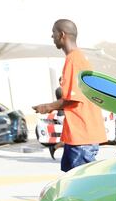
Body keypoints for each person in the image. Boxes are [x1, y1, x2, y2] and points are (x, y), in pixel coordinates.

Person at [32, 19, 106, 172]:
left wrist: (46, 107)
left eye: (53, 33)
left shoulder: (74, 60)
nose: (52, 37)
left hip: (82, 136)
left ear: (62, 35)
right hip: (78, 135)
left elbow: (72, 99)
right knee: (70, 181)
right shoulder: (77, 58)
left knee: (82, 187)